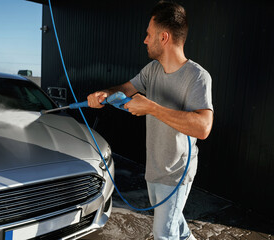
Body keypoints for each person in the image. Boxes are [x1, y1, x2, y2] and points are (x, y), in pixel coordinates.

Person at [87, 1, 213, 239]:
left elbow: (203, 127)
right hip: (154, 168)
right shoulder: (152, 70)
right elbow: (125, 88)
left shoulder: (197, 77)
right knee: (177, 226)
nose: (145, 40)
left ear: (163, 37)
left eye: (148, 34)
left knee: (163, 234)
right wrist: (104, 95)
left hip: (175, 173)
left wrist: (152, 108)